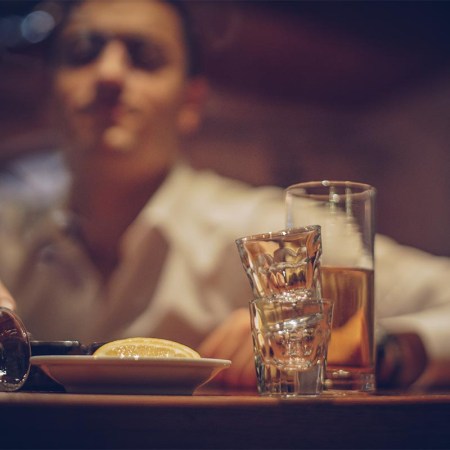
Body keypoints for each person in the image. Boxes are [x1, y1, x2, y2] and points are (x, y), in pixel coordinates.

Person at [0, 0, 449, 390]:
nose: (110, 73)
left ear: (191, 102)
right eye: (83, 53)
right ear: (47, 93)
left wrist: (370, 344)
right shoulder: (7, 231)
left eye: (145, 57)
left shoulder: (281, 235)